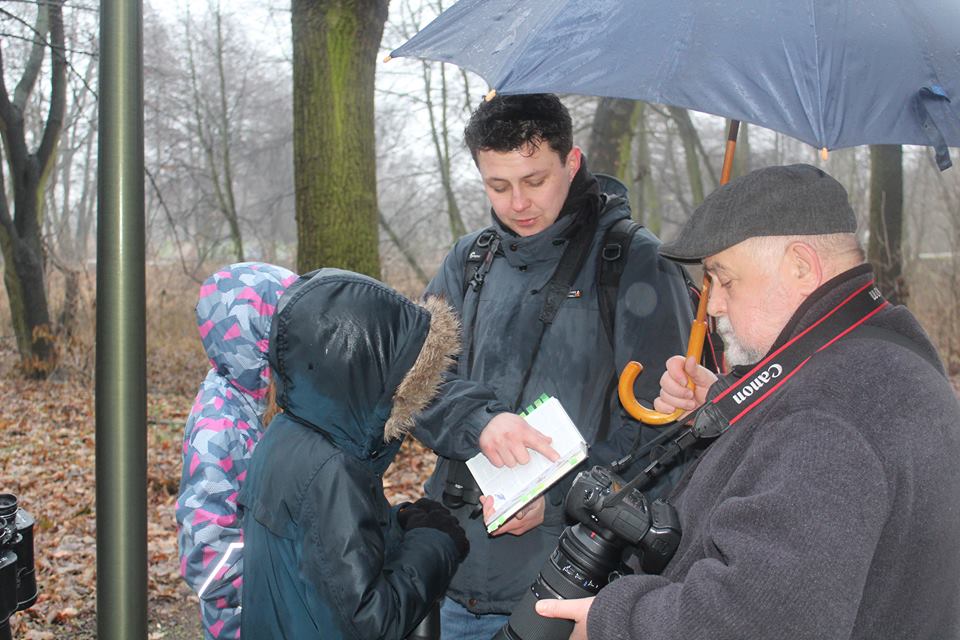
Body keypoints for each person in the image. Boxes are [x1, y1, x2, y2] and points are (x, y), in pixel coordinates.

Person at [535, 163, 960, 639]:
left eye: (725, 279)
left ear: (801, 266)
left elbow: (754, 619)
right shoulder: (883, 356)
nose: (713, 304)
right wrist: (729, 403)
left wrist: (614, 622)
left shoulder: (828, 416)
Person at [412, 93, 695, 638]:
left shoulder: (634, 263)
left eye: (534, 180)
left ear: (572, 161)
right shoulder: (470, 261)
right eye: (498, 186)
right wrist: (481, 423)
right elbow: (415, 384)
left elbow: (667, 437)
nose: (517, 203)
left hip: (566, 587)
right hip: (449, 568)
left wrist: (560, 502)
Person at [238, 268, 470, 639]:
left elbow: (319, 556)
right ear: (366, 369)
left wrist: (398, 525)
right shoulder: (333, 470)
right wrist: (435, 544)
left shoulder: (288, 435)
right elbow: (371, 621)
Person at [176, 261, 297, 640]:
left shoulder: (267, 399)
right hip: (246, 621)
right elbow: (205, 547)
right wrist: (260, 600)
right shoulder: (218, 425)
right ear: (256, 336)